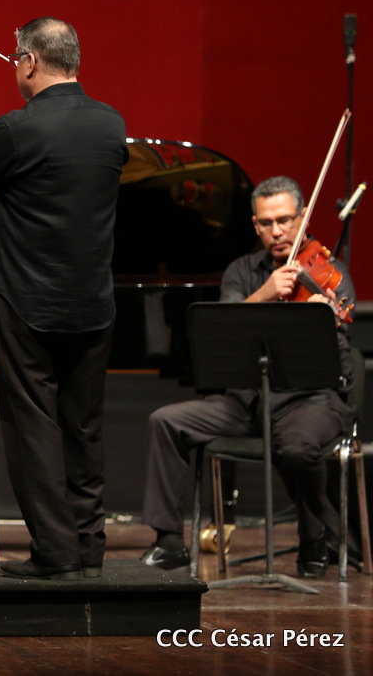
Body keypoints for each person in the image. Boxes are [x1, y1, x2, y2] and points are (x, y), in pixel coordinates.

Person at [0, 18, 128, 581]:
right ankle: (88, 546)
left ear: (30, 62)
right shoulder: (111, 123)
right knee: (83, 426)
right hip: (93, 301)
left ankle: (55, 552)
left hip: (26, 302)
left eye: (18, 58)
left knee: (33, 427)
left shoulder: (16, 129)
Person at [139, 176, 355, 578]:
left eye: (285, 220)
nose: (277, 231)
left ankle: (315, 538)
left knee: (298, 448)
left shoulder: (330, 271)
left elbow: (337, 345)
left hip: (308, 401)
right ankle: (168, 542)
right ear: (255, 225)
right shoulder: (241, 271)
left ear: (303, 218)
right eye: (267, 223)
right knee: (166, 421)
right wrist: (267, 293)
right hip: (247, 402)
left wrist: (318, 317)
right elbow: (223, 328)